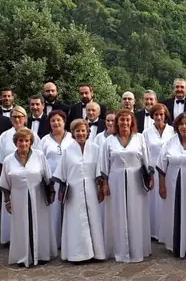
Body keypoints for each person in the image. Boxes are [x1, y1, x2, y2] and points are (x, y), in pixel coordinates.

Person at [98, 110, 153, 263]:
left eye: (127, 120)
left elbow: (146, 160)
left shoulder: (139, 138)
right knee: (117, 213)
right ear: (117, 122)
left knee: (136, 213)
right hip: (115, 180)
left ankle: (137, 249)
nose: (124, 123)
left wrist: (150, 177)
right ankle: (119, 250)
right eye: (121, 120)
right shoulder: (109, 141)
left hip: (136, 181)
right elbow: (104, 164)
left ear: (132, 122)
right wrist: (105, 184)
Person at [0, 128, 56, 268]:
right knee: (21, 226)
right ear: (16, 142)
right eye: (20, 141)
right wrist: (7, 200)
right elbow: (4, 183)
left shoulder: (39, 155)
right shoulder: (8, 160)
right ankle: (23, 256)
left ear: (31, 142)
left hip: (38, 196)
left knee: (40, 224)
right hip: (18, 197)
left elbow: (48, 177)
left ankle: (41, 255)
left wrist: (51, 192)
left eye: (26, 141)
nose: (23, 143)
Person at [54, 118, 106, 262]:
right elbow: (61, 173)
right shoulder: (67, 150)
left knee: (93, 219)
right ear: (73, 133)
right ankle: (78, 254)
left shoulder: (95, 149)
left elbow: (99, 171)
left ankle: (96, 253)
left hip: (91, 190)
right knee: (76, 222)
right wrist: (61, 191)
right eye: (77, 131)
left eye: (83, 130)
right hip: (74, 193)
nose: (80, 133)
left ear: (87, 132)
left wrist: (101, 189)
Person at [157, 112, 186, 258]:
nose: (184, 127)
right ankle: (174, 244)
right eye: (181, 124)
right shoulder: (169, 142)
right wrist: (162, 186)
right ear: (177, 126)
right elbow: (162, 166)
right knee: (173, 212)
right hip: (173, 184)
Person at [36, 110, 75, 244]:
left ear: (64, 122)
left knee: (70, 209)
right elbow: (39, 161)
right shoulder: (44, 140)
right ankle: (55, 241)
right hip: (52, 181)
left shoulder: (72, 138)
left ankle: (69, 240)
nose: (56, 123)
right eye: (53, 120)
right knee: (54, 212)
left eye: (59, 120)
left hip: (70, 179)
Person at [0, 106, 29, 246]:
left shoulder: (32, 135)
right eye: (14, 117)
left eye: (20, 117)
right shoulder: (4, 136)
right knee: (9, 209)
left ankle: (27, 236)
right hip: (9, 180)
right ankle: (9, 238)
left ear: (25, 118)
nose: (17, 119)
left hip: (28, 180)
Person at [144, 103, 174, 242]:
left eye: (161, 114)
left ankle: (167, 231)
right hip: (153, 171)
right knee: (153, 201)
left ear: (165, 115)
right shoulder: (146, 133)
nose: (159, 117)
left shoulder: (172, 131)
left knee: (166, 198)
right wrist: (148, 172)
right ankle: (154, 232)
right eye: (156, 114)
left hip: (168, 170)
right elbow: (144, 153)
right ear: (152, 116)